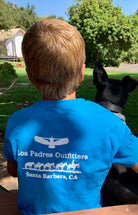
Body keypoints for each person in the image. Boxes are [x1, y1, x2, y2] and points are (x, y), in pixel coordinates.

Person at [3, 18, 138, 215]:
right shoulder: (110, 123)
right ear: (82, 73)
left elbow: (14, 171)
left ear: (30, 77)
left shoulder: (18, 122)